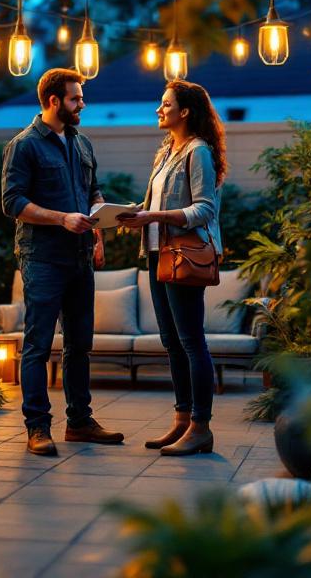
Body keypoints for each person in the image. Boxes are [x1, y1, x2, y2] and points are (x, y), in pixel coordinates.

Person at [1, 68, 125, 456]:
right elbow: (13, 203)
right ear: (54, 101)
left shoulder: (83, 143)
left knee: (79, 345)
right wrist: (62, 218)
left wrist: (99, 229)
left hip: (80, 258)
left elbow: (92, 191)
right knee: (38, 345)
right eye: (76, 98)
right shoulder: (23, 146)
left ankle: (80, 422)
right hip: (43, 259)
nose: (82, 104)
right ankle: (37, 427)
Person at [117, 80, 226, 456]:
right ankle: (181, 421)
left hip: (183, 255)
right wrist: (130, 214)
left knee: (192, 342)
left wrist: (154, 215)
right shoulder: (165, 151)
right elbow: (155, 203)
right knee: (172, 343)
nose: (158, 110)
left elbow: (205, 209)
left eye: (165, 104)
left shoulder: (199, 153)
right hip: (156, 254)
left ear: (185, 112)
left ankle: (201, 427)